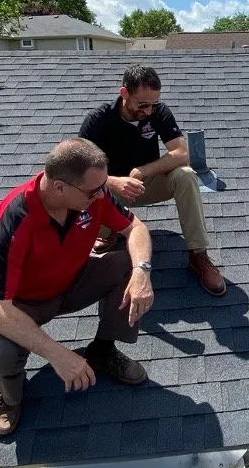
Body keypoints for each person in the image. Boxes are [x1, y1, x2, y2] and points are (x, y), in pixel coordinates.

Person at [0, 139, 154, 435]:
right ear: (60, 187)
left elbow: (135, 228)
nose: (102, 195)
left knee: (128, 263)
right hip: (21, 306)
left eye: (103, 186)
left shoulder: (93, 196)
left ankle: (103, 350)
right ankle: (9, 395)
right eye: (94, 190)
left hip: (72, 282)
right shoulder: (15, 217)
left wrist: (142, 272)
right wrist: (58, 354)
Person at [79, 65, 226, 296]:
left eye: (153, 104)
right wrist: (113, 182)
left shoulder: (159, 112)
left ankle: (198, 255)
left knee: (186, 175)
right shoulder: (99, 119)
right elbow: (79, 167)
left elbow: (181, 153)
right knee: (84, 186)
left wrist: (144, 170)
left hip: (146, 185)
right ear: (124, 93)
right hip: (109, 194)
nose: (148, 111)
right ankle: (106, 233)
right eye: (142, 104)